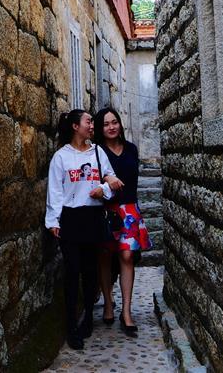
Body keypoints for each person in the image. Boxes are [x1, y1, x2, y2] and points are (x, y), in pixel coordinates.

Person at [46, 109, 124, 350]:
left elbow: (112, 180)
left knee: (90, 271)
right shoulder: (61, 157)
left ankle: (88, 317)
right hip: (70, 218)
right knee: (72, 272)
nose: (92, 126)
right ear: (75, 126)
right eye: (88, 122)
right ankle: (71, 326)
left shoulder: (98, 152)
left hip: (92, 217)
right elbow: (55, 191)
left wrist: (103, 190)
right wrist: (53, 221)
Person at [94, 107, 152, 337]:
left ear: (120, 124)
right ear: (100, 128)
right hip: (106, 211)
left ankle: (126, 311)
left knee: (127, 256)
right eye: (106, 124)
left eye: (114, 122)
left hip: (128, 210)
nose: (111, 127)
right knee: (105, 256)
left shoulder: (131, 149)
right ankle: (108, 303)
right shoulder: (97, 152)